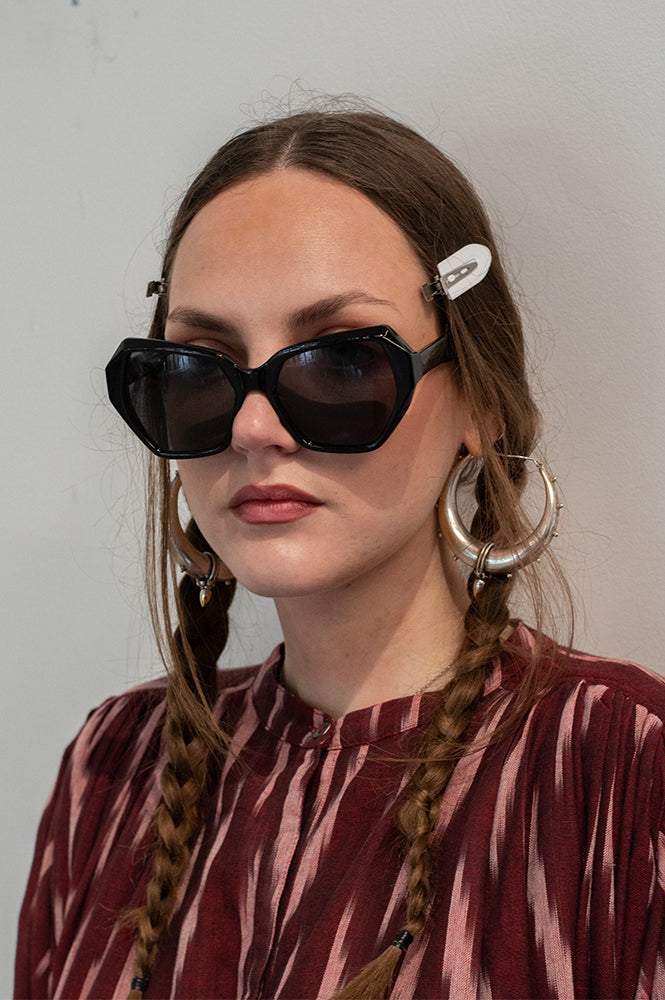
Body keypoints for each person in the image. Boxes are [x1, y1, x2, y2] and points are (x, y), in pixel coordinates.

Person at [15, 107, 665, 1000]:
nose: (253, 427)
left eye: (341, 364)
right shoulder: (114, 767)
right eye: (199, 369)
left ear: (479, 402)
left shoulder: (621, 769)